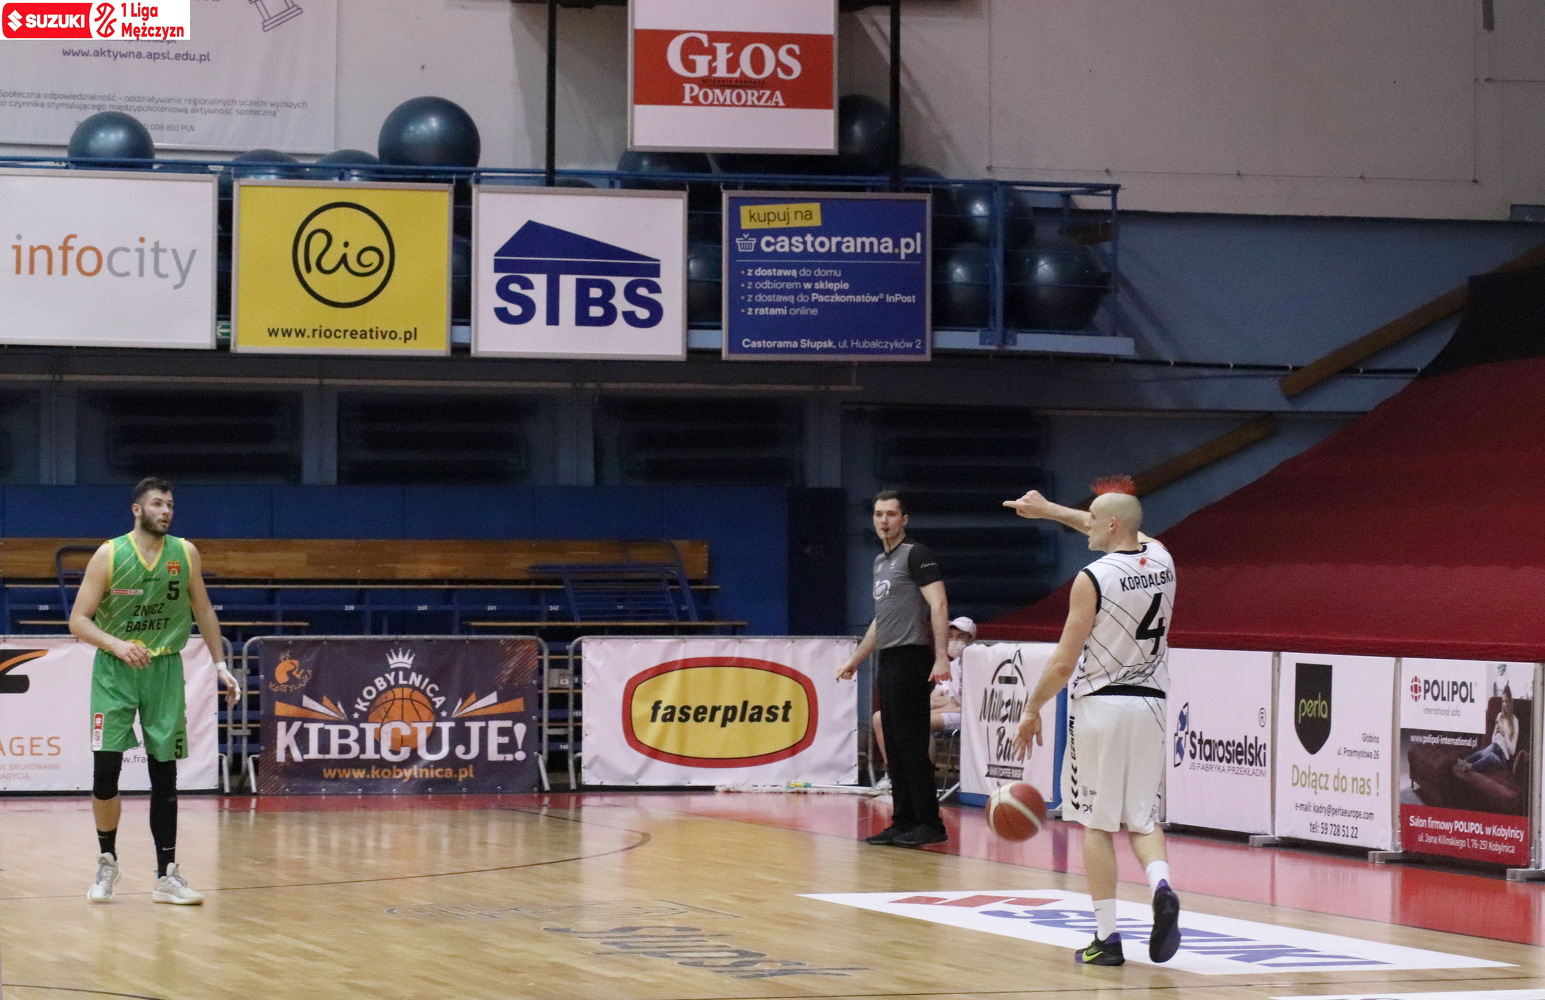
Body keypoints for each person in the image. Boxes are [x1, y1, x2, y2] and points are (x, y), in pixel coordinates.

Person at [1005, 479, 1181, 966]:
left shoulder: (1093, 578)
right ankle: (1161, 886)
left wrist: (1031, 709)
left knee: (1097, 824)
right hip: (1151, 704)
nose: (1086, 525)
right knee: (1142, 817)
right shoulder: (1162, 559)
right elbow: (1106, 522)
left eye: (1094, 519)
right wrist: (1048, 510)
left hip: (1102, 706)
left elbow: (1064, 662)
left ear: (1112, 524)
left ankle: (1107, 938)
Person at [69, 476, 240, 905]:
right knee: (105, 772)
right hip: (115, 671)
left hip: (163, 669)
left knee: (164, 776)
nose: (166, 511)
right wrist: (117, 644)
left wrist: (220, 664)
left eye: (170, 505)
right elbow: (78, 620)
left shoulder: (185, 552)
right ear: (137, 509)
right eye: (158, 504)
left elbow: (203, 609)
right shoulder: (110, 554)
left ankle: (167, 874)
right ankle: (107, 861)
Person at [836, 491, 952, 847]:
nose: (883, 520)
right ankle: (902, 821)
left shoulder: (916, 554)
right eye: (877, 514)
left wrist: (942, 655)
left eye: (890, 514)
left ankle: (929, 823)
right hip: (888, 658)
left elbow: (939, 603)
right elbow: (881, 621)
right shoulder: (879, 562)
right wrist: (855, 659)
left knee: (912, 743)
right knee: (894, 744)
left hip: (912, 657)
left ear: (904, 519)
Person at [871, 616, 975, 789]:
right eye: (950, 636)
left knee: (919, 721)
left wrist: (947, 704)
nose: (954, 641)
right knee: (879, 718)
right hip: (946, 712)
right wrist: (947, 702)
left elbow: (964, 705)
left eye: (960, 637)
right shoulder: (949, 666)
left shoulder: (976, 666)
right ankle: (893, 775)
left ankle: (923, 781)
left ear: (971, 640)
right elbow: (933, 699)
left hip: (966, 717)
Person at [1454, 684, 1519, 776]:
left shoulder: (1514, 721)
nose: (1504, 704)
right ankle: (1465, 762)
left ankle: (1468, 766)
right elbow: (1493, 740)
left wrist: (1504, 735)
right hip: (1494, 748)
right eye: (1503, 701)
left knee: (1491, 756)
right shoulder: (1499, 716)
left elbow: (1512, 751)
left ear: (1511, 702)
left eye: (1507, 701)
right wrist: (1497, 734)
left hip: (1503, 759)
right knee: (1487, 750)